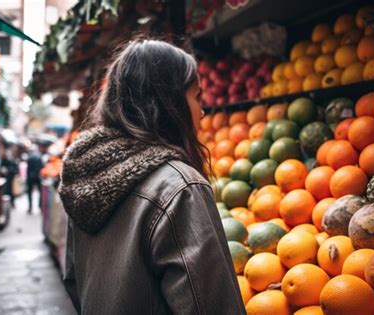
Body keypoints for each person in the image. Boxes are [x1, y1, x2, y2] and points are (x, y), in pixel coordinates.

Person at [59, 39, 246, 314]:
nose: (202, 111)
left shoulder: (85, 178)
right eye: (196, 97)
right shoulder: (179, 187)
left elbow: (74, 281)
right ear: (168, 103)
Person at [26, 144, 43, 213]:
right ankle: (40, 206)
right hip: (38, 177)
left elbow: (28, 169)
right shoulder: (39, 156)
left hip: (30, 177)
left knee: (29, 192)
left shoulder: (29, 157)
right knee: (40, 191)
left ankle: (30, 207)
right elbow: (42, 167)